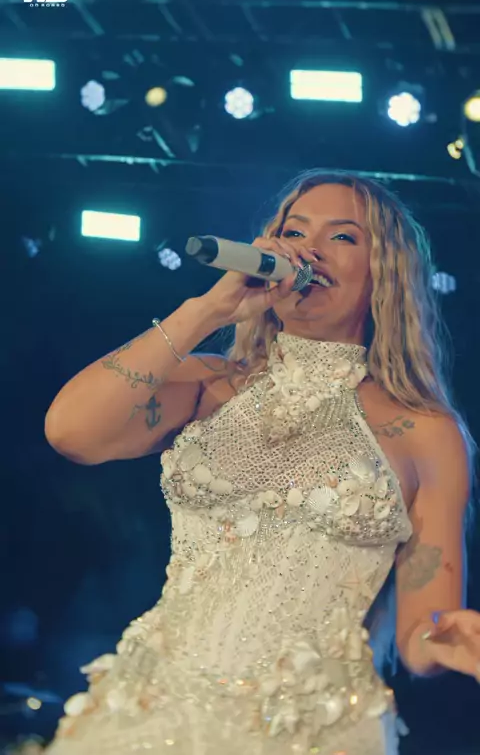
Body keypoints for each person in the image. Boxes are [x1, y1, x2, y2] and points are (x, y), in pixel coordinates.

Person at [44, 171, 480, 755]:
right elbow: (71, 432)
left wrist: (446, 640)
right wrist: (207, 310)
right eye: (294, 232)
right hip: (155, 707)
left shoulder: (425, 432)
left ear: (387, 272)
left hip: (308, 728)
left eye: (342, 236)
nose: (309, 250)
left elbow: (422, 630)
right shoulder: (208, 385)